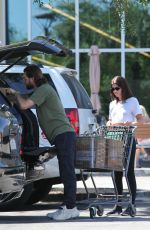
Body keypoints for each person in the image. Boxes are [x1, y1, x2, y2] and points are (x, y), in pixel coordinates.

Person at [7, 64, 80, 221]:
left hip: (64, 134)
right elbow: (22, 105)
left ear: (32, 77)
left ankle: (71, 208)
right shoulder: (42, 90)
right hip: (62, 135)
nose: (24, 80)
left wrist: (15, 93)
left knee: (67, 171)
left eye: (25, 78)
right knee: (65, 169)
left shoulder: (44, 89)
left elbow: (25, 104)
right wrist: (14, 97)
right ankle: (68, 206)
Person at [106, 76, 145, 217]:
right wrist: (109, 124)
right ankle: (118, 205)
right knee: (115, 172)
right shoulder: (112, 104)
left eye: (117, 88)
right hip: (114, 137)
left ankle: (131, 204)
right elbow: (110, 120)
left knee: (128, 172)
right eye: (113, 88)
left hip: (128, 137)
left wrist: (127, 125)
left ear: (123, 87)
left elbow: (140, 120)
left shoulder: (132, 101)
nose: (114, 91)